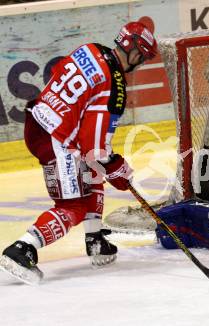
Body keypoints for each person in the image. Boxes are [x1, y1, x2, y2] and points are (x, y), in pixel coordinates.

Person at [0, 21, 158, 284]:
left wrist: (104, 164)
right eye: (141, 55)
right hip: (56, 137)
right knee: (72, 205)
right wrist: (116, 167)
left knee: (92, 171)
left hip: (39, 121)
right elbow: (94, 145)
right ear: (132, 48)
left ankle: (95, 240)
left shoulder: (91, 49)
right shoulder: (115, 86)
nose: (140, 62)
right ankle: (22, 248)